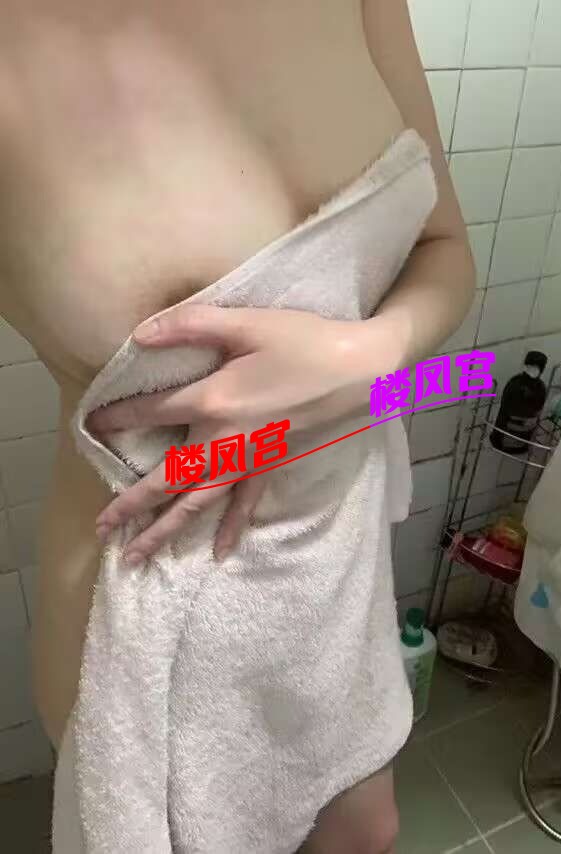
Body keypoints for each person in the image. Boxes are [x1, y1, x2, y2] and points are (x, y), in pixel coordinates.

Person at [0, 3, 474, 852]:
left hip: (340, 569)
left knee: (368, 835)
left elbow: (446, 250)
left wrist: (365, 361)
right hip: (158, 612)